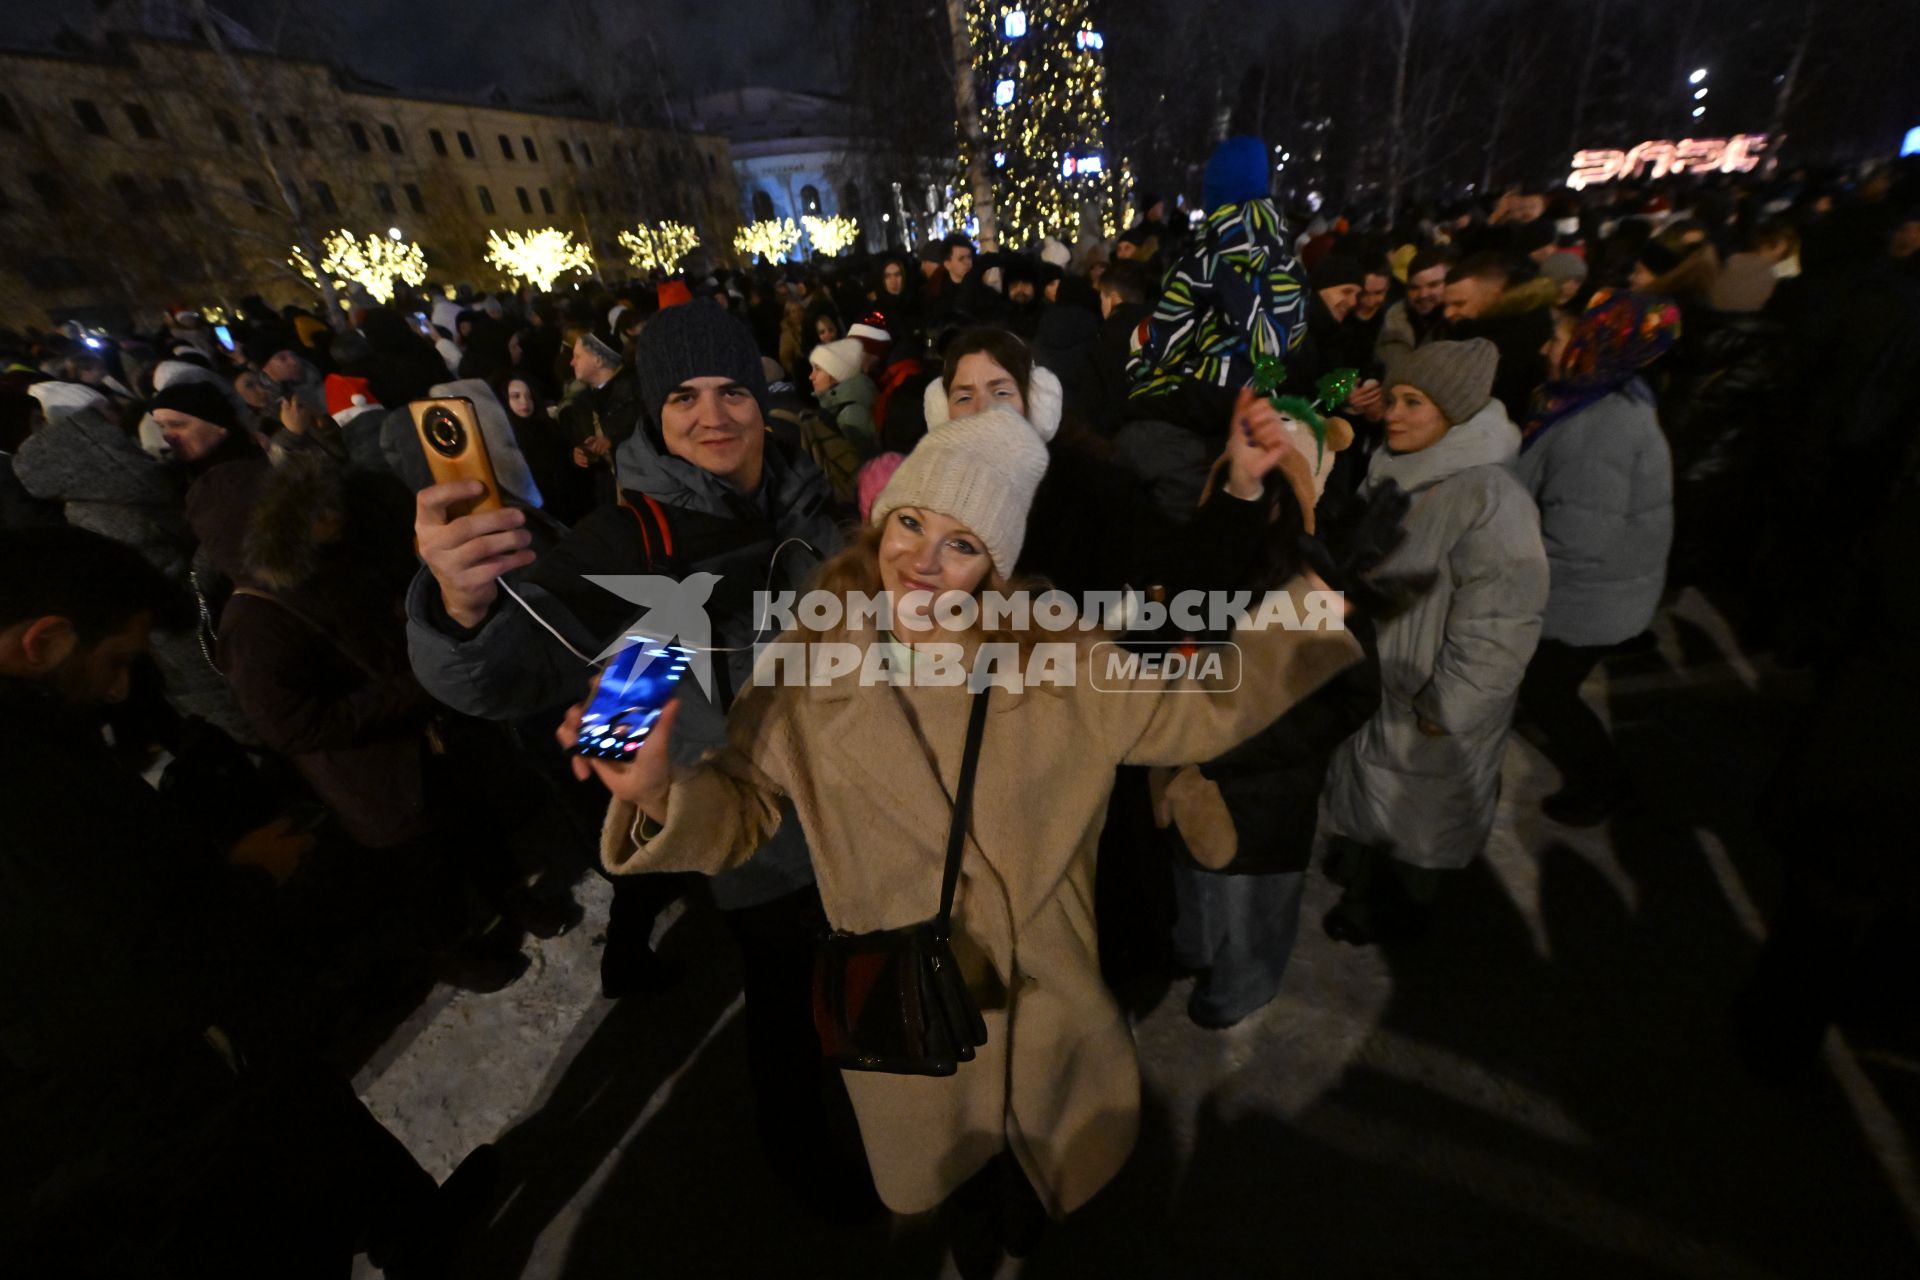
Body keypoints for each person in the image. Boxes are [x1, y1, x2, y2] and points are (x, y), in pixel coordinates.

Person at [569, 402, 1360, 1257]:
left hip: (1046, 990)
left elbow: (1194, 712)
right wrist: (655, 788)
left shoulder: (1060, 657)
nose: (923, 561)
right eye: (910, 522)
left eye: (962, 543)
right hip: (903, 993)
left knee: (1044, 1188)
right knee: (952, 1180)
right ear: (879, 523)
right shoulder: (811, 655)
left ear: (996, 563)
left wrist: (1307, 615)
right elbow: (745, 809)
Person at [407, 303, 855, 1205]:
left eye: (732, 389)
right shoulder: (631, 543)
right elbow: (509, 677)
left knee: (864, 995)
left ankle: (890, 1130)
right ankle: (810, 1171)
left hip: (861, 813)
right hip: (758, 844)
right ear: (653, 409)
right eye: (683, 396)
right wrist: (457, 610)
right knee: (785, 1006)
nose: (714, 415)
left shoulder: (814, 498)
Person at [0, 526, 491, 1276]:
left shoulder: (36, 735)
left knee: (326, 1133)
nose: (120, 690)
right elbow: (115, 982)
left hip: (234, 1046)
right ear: (44, 641)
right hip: (173, 1128)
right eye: (117, 663)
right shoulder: (21, 783)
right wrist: (250, 883)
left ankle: (420, 1231)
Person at [1323, 339, 1548, 943]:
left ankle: (1400, 909)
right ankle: (1365, 874)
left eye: (1413, 401)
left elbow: (1500, 621)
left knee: (1419, 816)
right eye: (1392, 397)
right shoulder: (1397, 466)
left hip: (1428, 696)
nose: (1393, 412)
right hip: (1381, 676)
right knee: (1377, 787)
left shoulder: (1490, 497)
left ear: (1456, 411)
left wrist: (1449, 705)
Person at [1515, 291, 1680, 826]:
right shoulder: (1599, 395)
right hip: (1605, 591)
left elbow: (1576, 542)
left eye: (1559, 339)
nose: (1546, 348)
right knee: (1543, 685)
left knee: (1547, 691)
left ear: (1595, 344)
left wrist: (1505, 577)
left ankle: (1605, 784)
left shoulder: (1598, 429)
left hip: (1585, 601)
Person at [1439, 252, 1558, 423]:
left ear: (1495, 293)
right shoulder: (1471, 326)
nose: (1448, 313)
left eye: (1459, 304)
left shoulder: (1524, 335)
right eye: (1446, 304)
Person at [557, 326, 640, 509]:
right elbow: (582, 440)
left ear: (598, 360)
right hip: (609, 496)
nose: (572, 362)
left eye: (578, 356)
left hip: (642, 493)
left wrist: (614, 440)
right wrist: (578, 452)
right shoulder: (582, 402)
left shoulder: (635, 391)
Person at [1375, 245, 1454, 366]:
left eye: (1433, 285)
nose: (1423, 294)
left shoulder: (1459, 324)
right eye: (1414, 288)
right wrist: (1340, 385)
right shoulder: (1393, 319)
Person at [807, 336, 879, 456]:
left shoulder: (850, 414)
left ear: (835, 375)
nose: (811, 376)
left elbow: (865, 459)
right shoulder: (842, 406)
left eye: (818, 370)